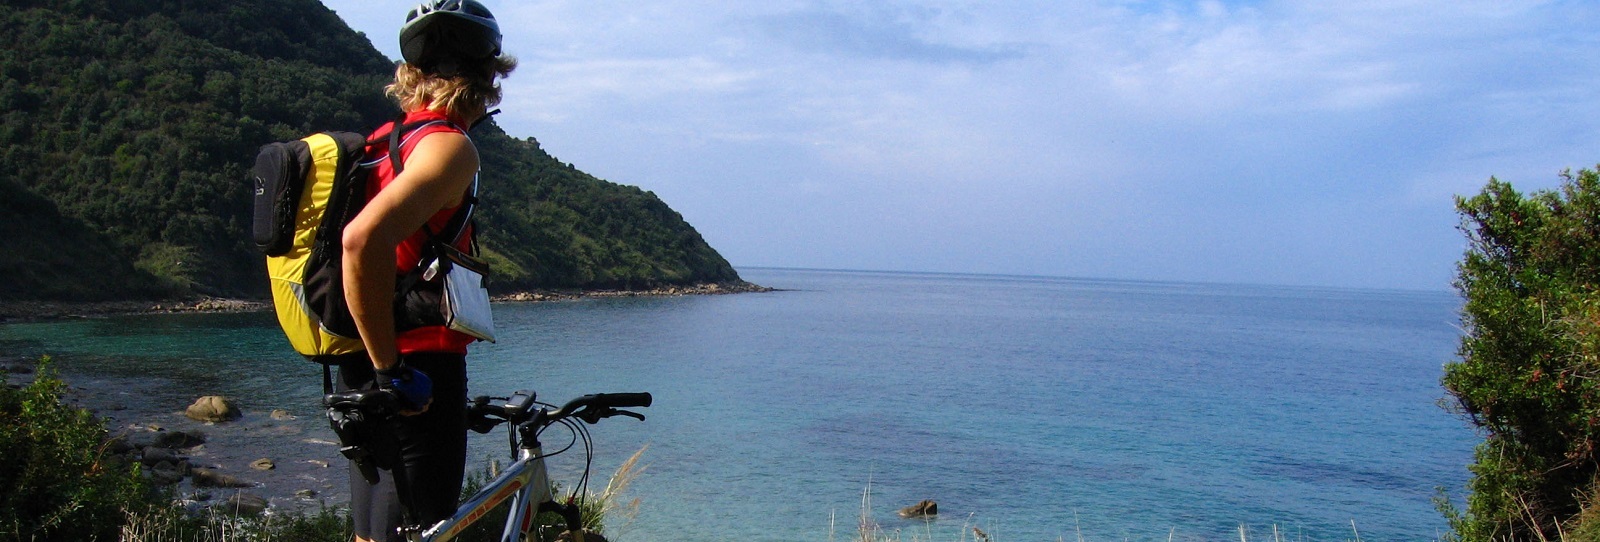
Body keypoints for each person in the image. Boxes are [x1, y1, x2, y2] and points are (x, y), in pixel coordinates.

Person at [338, 1, 515, 540]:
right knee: (429, 529)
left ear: (412, 74)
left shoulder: (384, 143)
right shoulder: (449, 148)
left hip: (361, 359)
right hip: (414, 369)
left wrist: (378, 364)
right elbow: (360, 241)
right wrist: (393, 368)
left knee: (376, 533)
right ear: (489, 77)